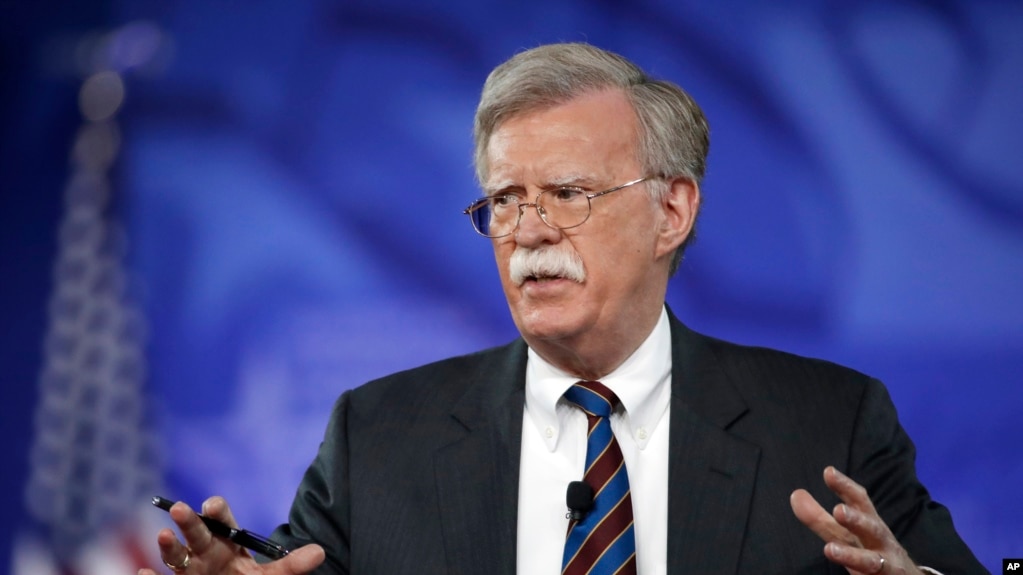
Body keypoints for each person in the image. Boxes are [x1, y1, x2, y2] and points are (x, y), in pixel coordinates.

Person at [142, 43, 985, 575]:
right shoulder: (378, 434)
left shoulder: (829, 422)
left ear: (672, 211)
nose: (528, 232)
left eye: (569, 193)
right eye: (503, 200)